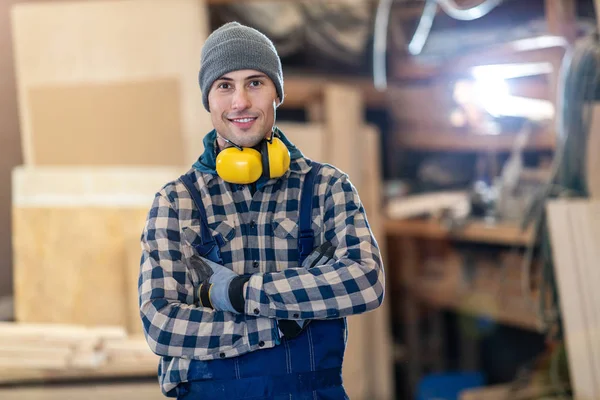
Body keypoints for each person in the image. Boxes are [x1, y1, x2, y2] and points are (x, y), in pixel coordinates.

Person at [139, 21, 385, 400]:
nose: (240, 102)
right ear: (208, 99)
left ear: (277, 94)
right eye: (225, 86)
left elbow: (365, 281)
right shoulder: (178, 201)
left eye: (255, 82)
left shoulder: (326, 188)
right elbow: (162, 324)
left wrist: (239, 293)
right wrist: (274, 325)